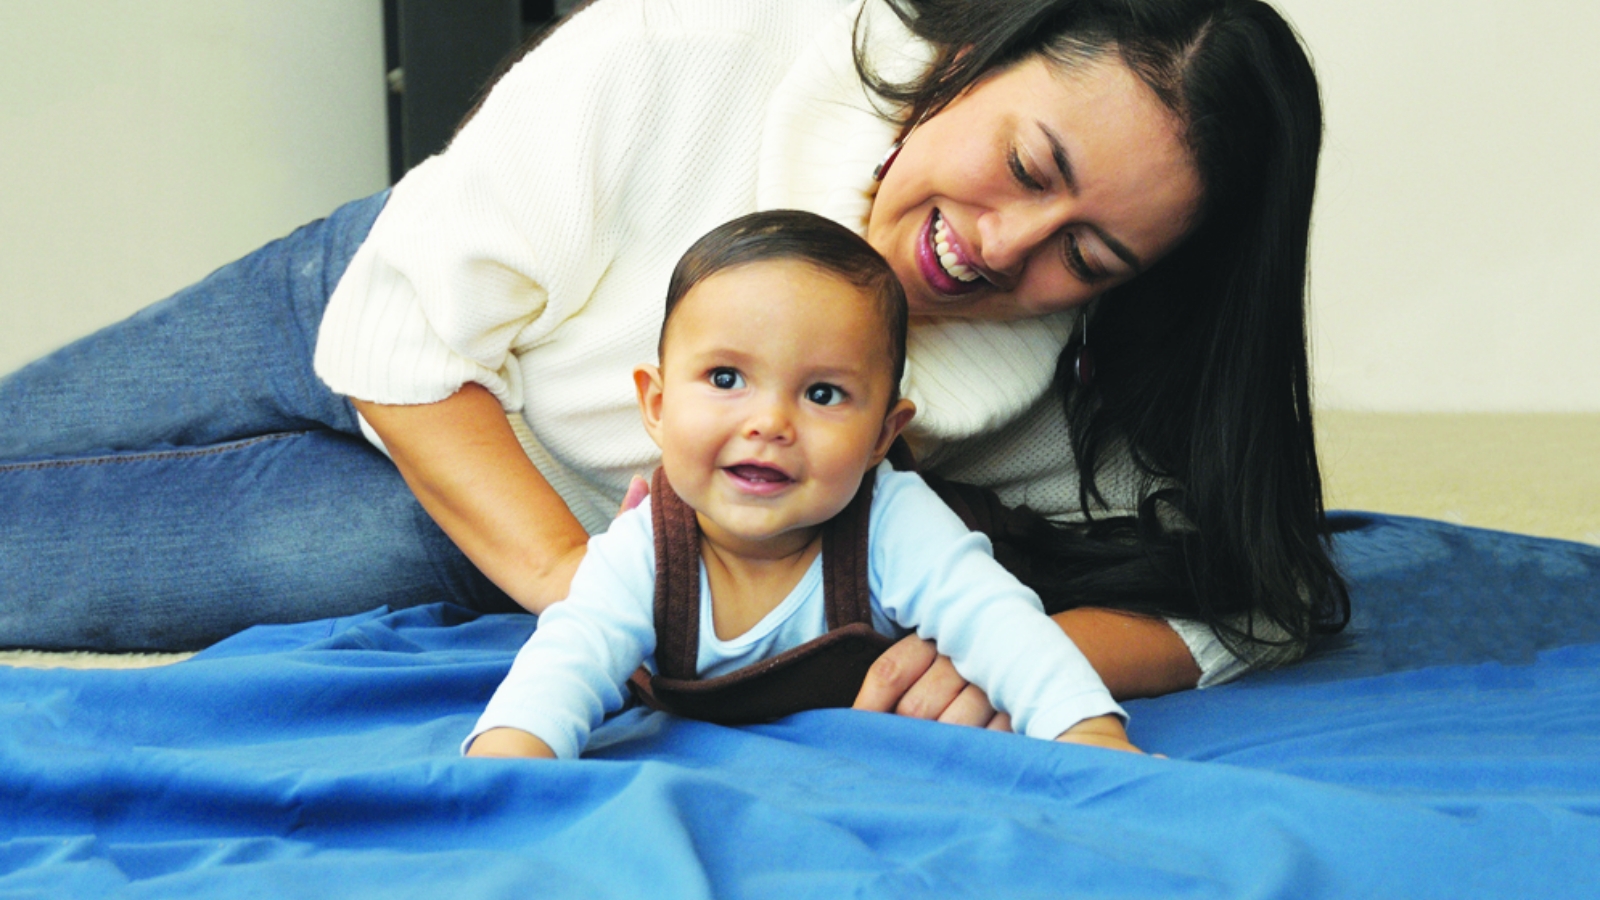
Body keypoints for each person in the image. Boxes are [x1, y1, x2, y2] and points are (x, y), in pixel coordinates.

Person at [0, 0, 1347, 725]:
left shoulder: (1074, 386)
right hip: (380, 311)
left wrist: (1030, 655)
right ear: (981, 46)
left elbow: (1263, 599)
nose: (1002, 248)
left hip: (434, 534)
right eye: (1024, 166)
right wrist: (589, 594)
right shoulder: (684, 52)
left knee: (201, 559)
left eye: (1089, 256)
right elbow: (402, 338)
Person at [465, 210, 1134, 760]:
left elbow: (998, 622)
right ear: (658, 405)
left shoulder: (893, 522)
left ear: (881, 435)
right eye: (726, 379)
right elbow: (567, 658)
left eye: (822, 393)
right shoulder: (645, 552)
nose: (769, 423)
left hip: (1015, 549)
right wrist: (509, 759)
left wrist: (1089, 733)